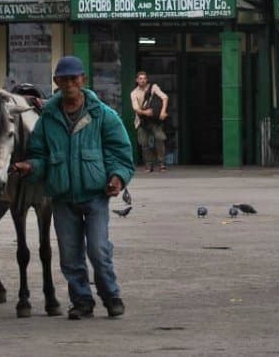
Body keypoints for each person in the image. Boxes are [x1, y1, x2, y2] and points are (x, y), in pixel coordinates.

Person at [14, 55, 134, 320]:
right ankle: (81, 302)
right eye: (63, 79)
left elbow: (121, 153)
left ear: (83, 80)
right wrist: (31, 167)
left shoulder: (103, 115)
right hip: (62, 197)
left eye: (74, 78)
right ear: (56, 82)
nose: (69, 83)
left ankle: (111, 295)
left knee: (98, 250)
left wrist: (117, 177)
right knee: (70, 256)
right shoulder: (47, 119)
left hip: (95, 195)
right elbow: (40, 154)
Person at [130, 71, 169, 173]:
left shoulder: (153, 87)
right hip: (142, 120)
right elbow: (136, 108)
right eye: (140, 78)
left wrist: (163, 111)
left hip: (155, 119)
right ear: (137, 80)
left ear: (147, 79)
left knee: (159, 138)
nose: (142, 80)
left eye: (144, 78)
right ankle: (148, 165)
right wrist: (145, 112)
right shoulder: (134, 93)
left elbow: (164, 97)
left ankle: (162, 163)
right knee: (144, 143)